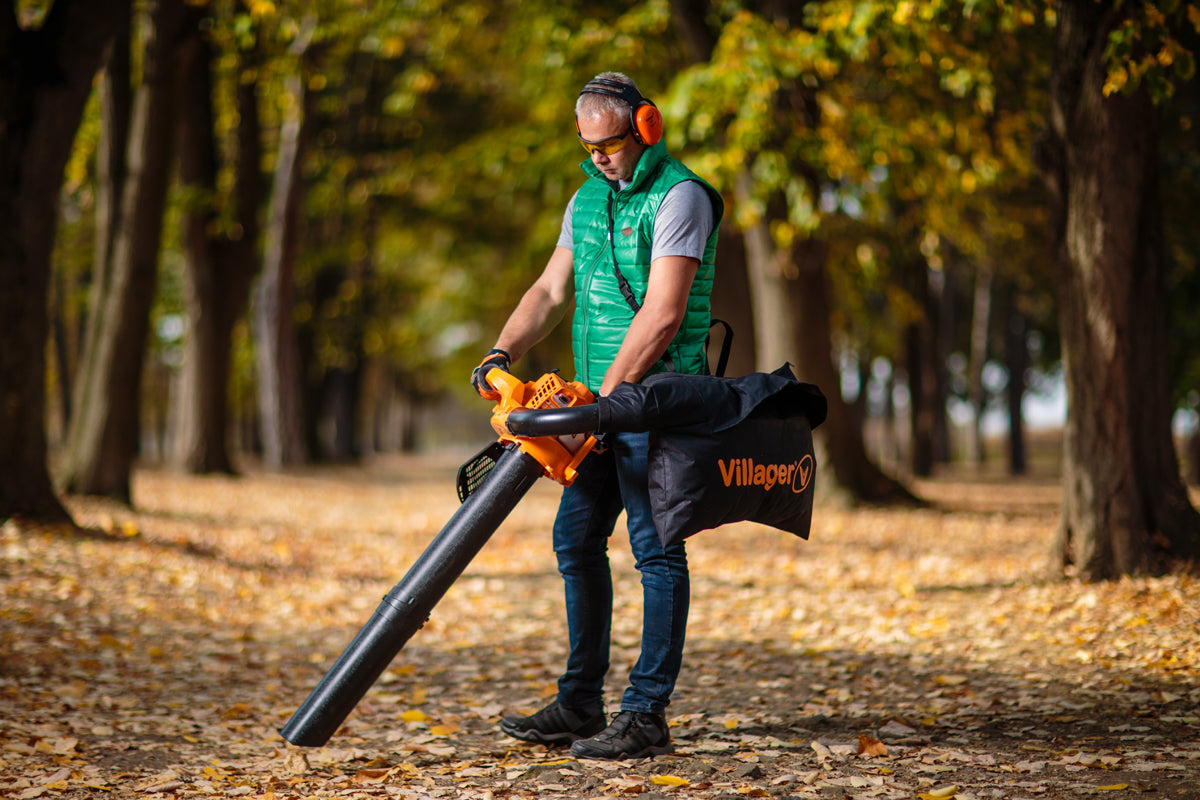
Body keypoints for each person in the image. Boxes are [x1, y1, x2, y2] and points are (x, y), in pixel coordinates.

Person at [470, 72, 723, 760]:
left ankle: (645, 713)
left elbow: (663, 314)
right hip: (598, 408)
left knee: (656, 550)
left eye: (609, 145)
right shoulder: (586, 200)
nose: (599, 158)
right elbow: (551, 288)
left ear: (645, 128)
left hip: (660, 401)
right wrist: (500, 350)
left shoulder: (682, 197)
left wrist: (603, 405)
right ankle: (581, 702)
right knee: (576, 542)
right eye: (587, 147)